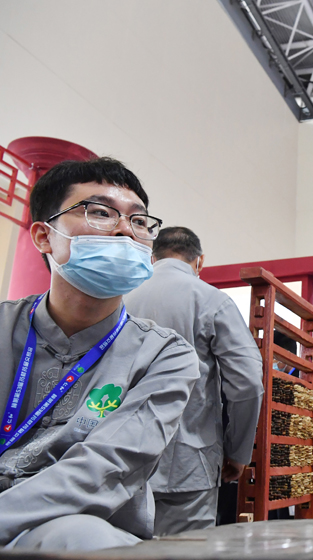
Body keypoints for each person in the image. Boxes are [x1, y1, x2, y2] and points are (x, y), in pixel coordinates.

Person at [0, 158, 199, 550]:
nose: (126, 229)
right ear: (44, 236)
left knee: (78, 539)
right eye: (101, 213)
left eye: (140, 222)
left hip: (78, 526)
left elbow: (105, 468)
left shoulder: (165, 355)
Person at [124, 227, 263, 535]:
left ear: (152, 257)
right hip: (188, 462)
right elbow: (249, 383)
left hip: (121, 459)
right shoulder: (211, 300)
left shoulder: (121, 299)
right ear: (200, 261)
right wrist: (238, 452)